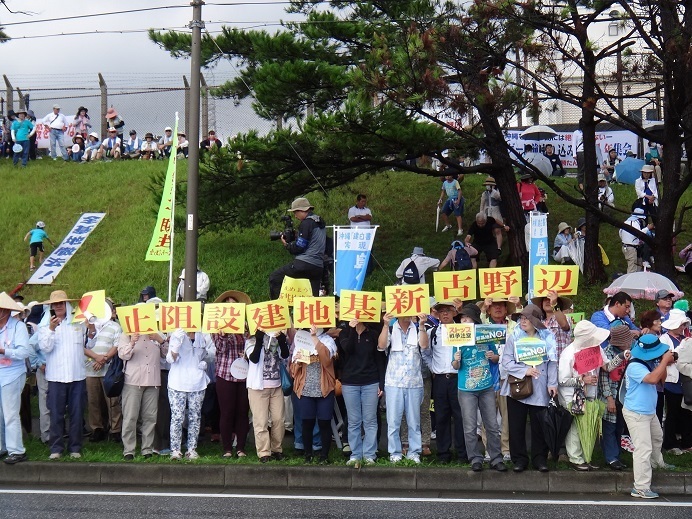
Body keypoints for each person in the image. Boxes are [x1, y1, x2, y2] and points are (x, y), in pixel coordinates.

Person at [558, 321, 627, 471]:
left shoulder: (596, 349)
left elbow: (607, 367)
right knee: (576, 428)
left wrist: (621, 356)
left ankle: (585, 457)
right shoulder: (568, 354)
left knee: (589, 428)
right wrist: (582, 380)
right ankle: (576, 458)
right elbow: (562, 380)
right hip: (573, 397)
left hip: (591, 396)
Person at [500, 304, 558, 472]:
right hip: (518, 385)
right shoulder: (514, 337)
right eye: (522, 318)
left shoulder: (547, 338)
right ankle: (519, 459)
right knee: (516, 424)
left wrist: (552, 383)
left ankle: (540, 459)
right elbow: (507, 362)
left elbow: (552, 362)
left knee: (539, 425)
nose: (523, 321)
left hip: (540, 385)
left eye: (527, 318)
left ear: (535, 322)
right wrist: (524, 370)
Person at [38, 290, 95, 459]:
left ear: (66, 305)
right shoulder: (45, 326)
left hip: (77, 376)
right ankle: (56, 448)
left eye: (61, 303)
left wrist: (91, 330)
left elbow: (90, 344)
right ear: (51, 307)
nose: (58, 306)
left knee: (77, 414)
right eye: (55, 304)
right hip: (56, 377)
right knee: (56, 414)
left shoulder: (78, 323)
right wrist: (51, 329)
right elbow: (45, 348)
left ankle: (75, 448)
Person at [451, 309, 506, 472]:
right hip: (466, 388)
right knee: (469, 426)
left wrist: (492, 356)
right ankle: (475, 458)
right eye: (462, 319)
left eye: (467, 318)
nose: (464, 321)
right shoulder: (458, 339)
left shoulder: (485, 335)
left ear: (475, 320)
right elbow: (454, 366)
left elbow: (496, 358)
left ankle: (496, 458)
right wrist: (456, 360)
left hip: (486, 386)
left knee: (492, 424)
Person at [622, 334, 676, 499]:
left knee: (657, 438)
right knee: (643, 449)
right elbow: (652, 379)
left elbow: (661, 382)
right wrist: (665, 361)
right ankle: (640, 487)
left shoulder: (650, 362)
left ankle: (656, 463)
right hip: (636, 413)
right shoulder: (634, 365)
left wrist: (664, 364)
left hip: (648, 411)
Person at [420, 301, 468, 464]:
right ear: (437, 314)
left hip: (459, 377)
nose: (445, 314)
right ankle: (443, 453)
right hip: (440, 379)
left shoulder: (464, 330)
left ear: (455, 312)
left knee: (461, 417)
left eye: (448, 310)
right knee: (441, 417)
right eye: (441, 311)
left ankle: (463, 453)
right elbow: (425, 352)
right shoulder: (432, 332)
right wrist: (433, 369)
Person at [378, 312, 427, 465]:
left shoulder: (418, 328)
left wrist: (422, 325)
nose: (407, 314)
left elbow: (424, 346)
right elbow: (381, 345)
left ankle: (414, 451)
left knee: (414, 421)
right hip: (393, 382)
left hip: (414, 382)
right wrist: (385, 325)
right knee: (393, 421)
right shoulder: (391, 329)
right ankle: (395, 452)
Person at [117, 310, 166, 460]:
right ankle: (129, 449)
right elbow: (122, 354)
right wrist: (132, 341)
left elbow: (169, 355)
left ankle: (147, 448)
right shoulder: (127, 333)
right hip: (133, 380)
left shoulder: (157, 333)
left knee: (150, 416)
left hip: (153, 381)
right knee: (130, 416)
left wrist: (161, 340)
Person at [338, 318, 385, 465]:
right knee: (353, 421)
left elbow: (380, 360)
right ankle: (356, 454)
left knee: (370, 420)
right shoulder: (344, 333)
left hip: (371, 381)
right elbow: (348, 349)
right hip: (350, 383)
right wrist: (352, 329)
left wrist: (381, 384)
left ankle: (370, 454)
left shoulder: (373, 334)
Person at [212, 289, 252, 458]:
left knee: (243, 412)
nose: (231, 308)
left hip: (244, 373)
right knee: (227, 411)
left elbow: (253, 346)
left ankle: (241, 447)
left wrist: (244, 330)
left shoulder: (247, 325)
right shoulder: (217, 327)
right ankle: (227, 448)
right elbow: (219, 349)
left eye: (234, 305)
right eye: (228, 305)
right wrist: (225, 334)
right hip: (225, 373)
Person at [290, 325, 337, 464]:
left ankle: (324, 456)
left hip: (324, 388)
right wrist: (297, 361)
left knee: (324, 422)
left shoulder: (328, 340)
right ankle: (308, 454)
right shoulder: (301, 340)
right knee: (307, 422)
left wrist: (315, 338)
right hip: (306, 388)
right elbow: (293, 371)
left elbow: (327, 360)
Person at [167, 328, 212, 460]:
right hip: (177, 382)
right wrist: (176, 345)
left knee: (195, 417)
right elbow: (170, 359)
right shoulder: (177, 333)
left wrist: (205, 361)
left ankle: (191, 449)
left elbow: (209, 354)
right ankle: (175, 450)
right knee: (177, 417)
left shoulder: (203, 334)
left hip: (197, 382)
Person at [269, 197, 327, 299]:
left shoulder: (306, 223)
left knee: (275, 277)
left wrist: (287, 245)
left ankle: (279, 310)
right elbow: (313, 240)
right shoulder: (319, 221)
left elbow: (299, 247)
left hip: (304, 264)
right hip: (318, 266)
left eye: (295, 212)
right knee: (313, 297)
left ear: (302, 210)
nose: (295, 216)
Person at [245, 329, 289, 462]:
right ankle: (264, 452)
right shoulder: (250, 340)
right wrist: (259, 339)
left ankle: (277, 449)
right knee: (261, 421)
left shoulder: (276, 338)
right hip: (258, 387)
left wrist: (281, 340)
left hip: (276, 385)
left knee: (278, 420)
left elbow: (285, 355)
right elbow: (253, 358)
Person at [84, 300, 123, 443]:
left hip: (109, 369)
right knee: (93, 401)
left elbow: (117, 345)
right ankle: (97, 429)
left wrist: (104, 358)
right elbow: (81, 346)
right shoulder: (87, 326)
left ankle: (115, 430)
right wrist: (96, 358)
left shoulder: (114, 326)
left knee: (112, 401)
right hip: (90, 369)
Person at [0, 292, 31, 464]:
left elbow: (24, 352)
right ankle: (2, 447)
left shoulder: (18, 327)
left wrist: (4, 351)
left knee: (10, 413)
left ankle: (17, 450)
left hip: (12, 373)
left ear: (5, 311)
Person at [599, 324, 634, 471]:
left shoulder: (630, 353)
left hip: (625, 395)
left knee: (619, 426)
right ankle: (611, 458)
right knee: (609, 427)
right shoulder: (607, 353)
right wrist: (609, 398)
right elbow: (604, 377)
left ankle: (616, 455)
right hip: (611, 395)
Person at [659, 310, 692, 454]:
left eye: (684, 324)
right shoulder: (663, 339)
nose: (683, 327)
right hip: (671, 381)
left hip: (685, 381)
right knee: (672, 413)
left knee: (686, 413)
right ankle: (670, 443)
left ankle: (687, 442)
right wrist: (681, 352)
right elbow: (666, 358)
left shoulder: (686, 338)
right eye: (681, 324)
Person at [532, 292, 572, 360]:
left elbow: (564, 325)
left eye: (550, 299)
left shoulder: (565, 318)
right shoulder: (539, 322)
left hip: (560, 365)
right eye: (545, 299)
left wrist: (554, 304)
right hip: (544, 366)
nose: (548, 301)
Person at [619, 208, 653, 273]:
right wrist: (647, 228)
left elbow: (620, 233)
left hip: (627, 246)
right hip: (631, 248)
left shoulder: (626, 222)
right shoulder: (635, 223)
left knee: (638, 264)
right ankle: (631, 282)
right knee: (632, 268)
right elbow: (638, 233)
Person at [479, 177, 504, 248]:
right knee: (489, 230)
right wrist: (481, 213)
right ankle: (490, 245)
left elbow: (500, 198)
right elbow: (482, 204)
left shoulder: (496, 192)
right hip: (487, 213)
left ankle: (499, 247)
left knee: (497, 230)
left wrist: (495, 193)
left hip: (496, 212)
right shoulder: (484, 194)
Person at [572, 126, 584, 190]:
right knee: (581, 169)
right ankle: (581, 185)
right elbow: (574, 143)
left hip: (589, 152)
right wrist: (574, 154)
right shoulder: (576, 132)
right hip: (580, 151)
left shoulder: (589, 131)